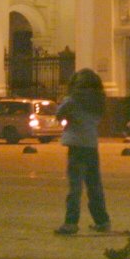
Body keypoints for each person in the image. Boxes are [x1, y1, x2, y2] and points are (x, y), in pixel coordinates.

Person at [54, 68, 111, 235]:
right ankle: (102, 221)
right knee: (95, 185)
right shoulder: (99, 100)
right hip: (91, 145)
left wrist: (69, 117)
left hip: (76, 146)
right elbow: (100, 118)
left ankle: (71, 223)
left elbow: (59, 113)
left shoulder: (73, 99)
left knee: (75, 187)